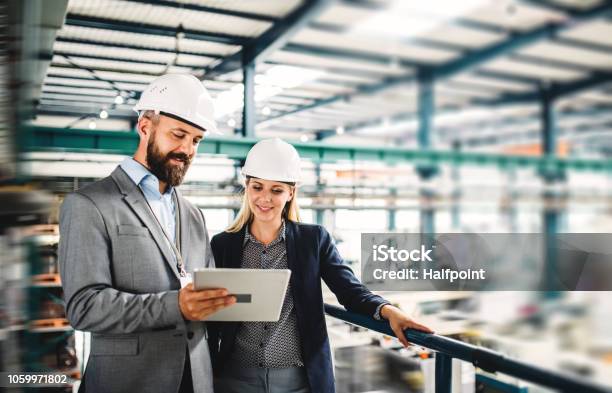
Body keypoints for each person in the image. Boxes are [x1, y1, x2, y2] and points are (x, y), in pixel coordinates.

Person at [208, 138, 433, 393]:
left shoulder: (313, 240)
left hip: (297, 379)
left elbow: (350, 290)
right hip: (235, 378)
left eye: (277, 190)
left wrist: (388, 311)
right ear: (246, 187)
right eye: (257, 187)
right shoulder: (223, 244)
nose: (265, 198)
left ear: (291, 192)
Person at [58, 74, 236, 393]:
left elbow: (201, 288)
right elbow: (84, 306)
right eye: (178, 134)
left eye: (196, 140)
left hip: (196, 380)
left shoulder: (193, 214)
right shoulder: (88, 204)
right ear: (145, 127)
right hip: (130, 381)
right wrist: (175, 306)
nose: (187, 149)